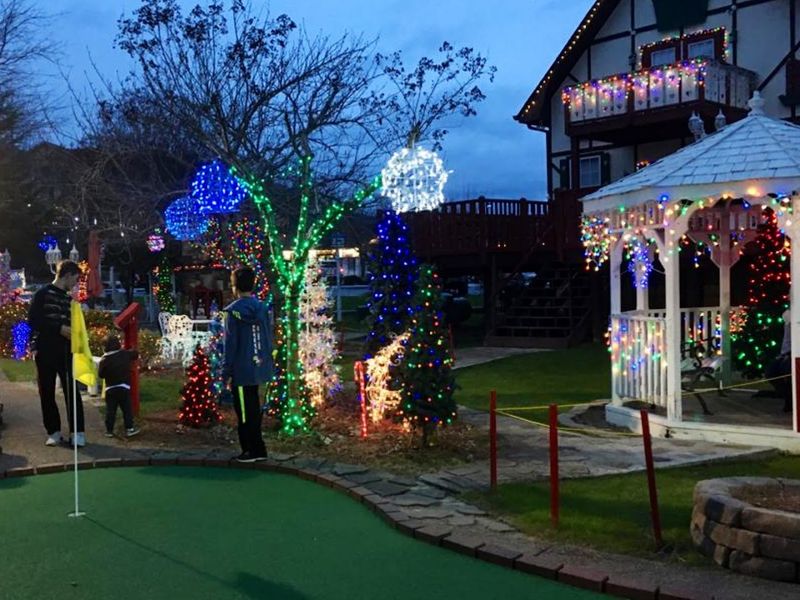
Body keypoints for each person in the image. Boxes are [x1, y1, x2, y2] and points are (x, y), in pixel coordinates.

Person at [27, 260, 85, 447]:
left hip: (66, 351)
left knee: (72, 392)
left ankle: (77, 432)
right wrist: (58, 328)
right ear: (67, 275)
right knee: (47, 391)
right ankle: (53, 431)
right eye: (75, 279)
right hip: (45, 350)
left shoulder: (70, 300)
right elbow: (34, 320)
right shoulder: (42, 294)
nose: (76, 284)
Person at [223, 267, 273, 462]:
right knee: (254, 405)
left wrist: (226, 371)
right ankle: (259, 448)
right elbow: (268, 337)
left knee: (244, 410)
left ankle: (249, 449)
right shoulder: (262, 308)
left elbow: (230, 344)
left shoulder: (232, 312)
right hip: (259, 365)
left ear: (235, 285)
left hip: (241, 368)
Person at [98, 334, 140, 438]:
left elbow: (101, 374)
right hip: (124, 387)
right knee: (127, 409)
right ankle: (129, 428)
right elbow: (135, 354)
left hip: (110, 389)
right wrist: (133, 348)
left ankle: (109, 431)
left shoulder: (104, 360)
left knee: (110, 410)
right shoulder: (124, 354)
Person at [766, 307, 792, 412]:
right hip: (784, 354)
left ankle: (789, 401)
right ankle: (786, 395)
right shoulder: (788, 318)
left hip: (792, 355)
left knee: (788, 372)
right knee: (770, 372)